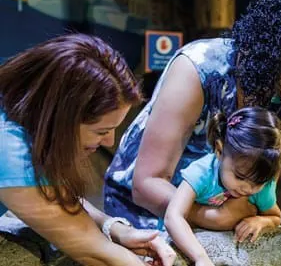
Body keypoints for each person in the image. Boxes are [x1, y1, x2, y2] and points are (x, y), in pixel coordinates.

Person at [104, 0, 281, 231]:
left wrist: (258, 216)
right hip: (143, 216)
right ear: (279, 41)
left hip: (221, 221)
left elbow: (263, 185)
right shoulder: (200, 68)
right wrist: (211, 217)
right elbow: (145, 184)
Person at [0, 34, 176, 266]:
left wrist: (115, 229)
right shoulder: (8, 149)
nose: (109, 142)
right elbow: (93, 251)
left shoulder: (23, 116)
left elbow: (53, 195)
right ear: (61, 119)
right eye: (101, 131)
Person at [165, 107, 281, 265]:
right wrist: (200, 257)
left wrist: (260, 221)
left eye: (258, 182)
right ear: (219, 150)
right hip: (190, 242)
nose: (248, 188)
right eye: (240, 177)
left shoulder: (263, 184)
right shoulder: (201, 173)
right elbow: (173, 216)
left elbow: (276, 217)